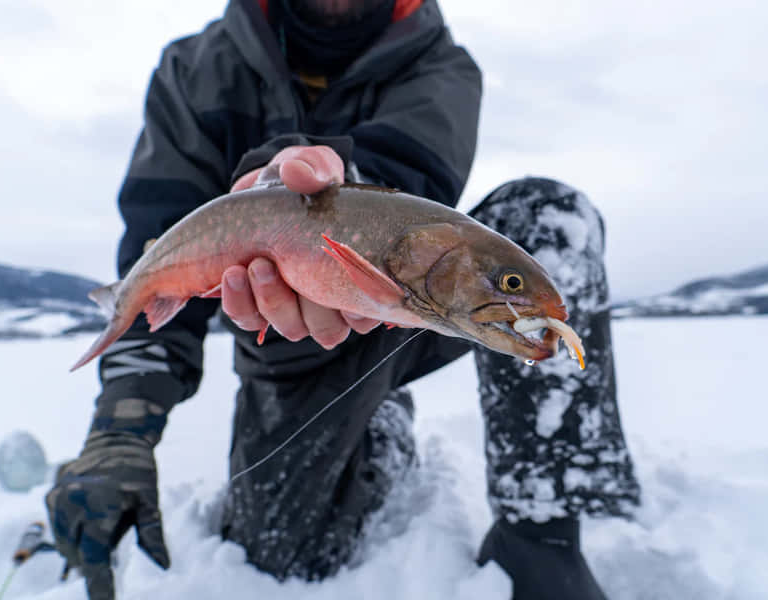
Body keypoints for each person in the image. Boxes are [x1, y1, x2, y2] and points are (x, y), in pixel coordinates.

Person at [45, 1, 641, 599]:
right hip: (282, 345)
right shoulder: (194, 70)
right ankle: (379, 427)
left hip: (407, 316)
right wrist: (120, 431)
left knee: (547, 218)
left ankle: (543, 534)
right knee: (283, 556)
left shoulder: (438, 63)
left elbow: (404, 188)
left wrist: (323, 177)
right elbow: (158, 264)